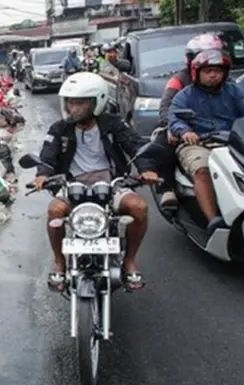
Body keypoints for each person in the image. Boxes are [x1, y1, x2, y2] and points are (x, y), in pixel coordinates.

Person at [33, 72, 160, 292]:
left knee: (138, 207)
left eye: (79, 103)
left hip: (112, 183)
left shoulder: (114, 125)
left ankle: (129, 261)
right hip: (72, 184)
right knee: (55, 211)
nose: (72, 108)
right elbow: (48, 155)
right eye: (70, 102)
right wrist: (43, 174)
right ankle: (59, 263)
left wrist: (146, 170)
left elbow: (135, 146)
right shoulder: (59, 129)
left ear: (97, 102)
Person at [168, 49, 244, 235]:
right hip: (199, 143)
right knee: (202, 170)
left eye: (217, 71)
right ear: (197, 73)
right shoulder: (185, 95)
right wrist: (185, 131)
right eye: (208, 71)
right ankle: (213, 219)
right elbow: (174, 118)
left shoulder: (234, 91)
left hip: (233, 140)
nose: (213, 75)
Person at [153, 32, 225, 209]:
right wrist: (174, 127)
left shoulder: (227, 83)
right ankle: (167, 187)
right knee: (161, 143)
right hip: (187, 130)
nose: (212, 70)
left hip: (221, 132)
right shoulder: (179, 81)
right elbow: (166, 108)